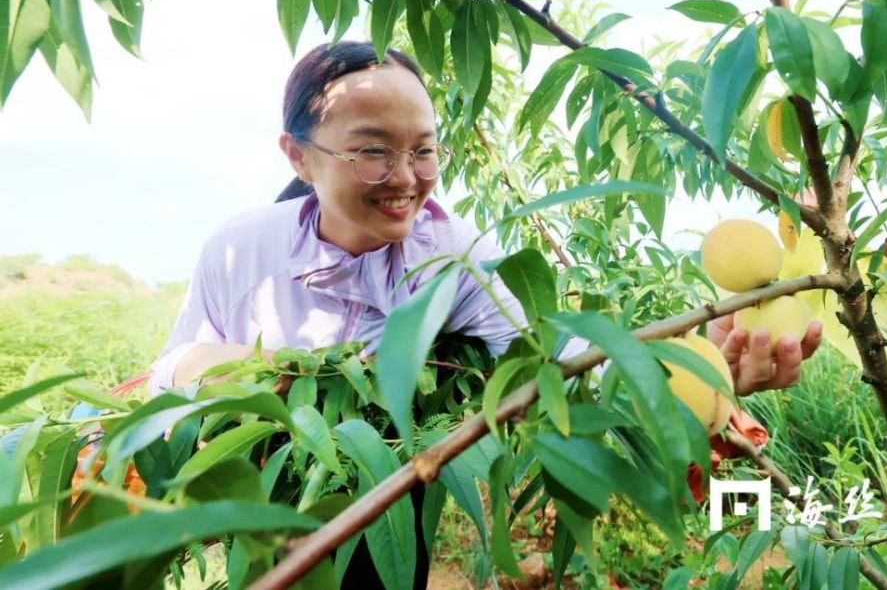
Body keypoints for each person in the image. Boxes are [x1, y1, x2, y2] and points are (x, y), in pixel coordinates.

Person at [149, 40, 822, 588]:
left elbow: (557, 361)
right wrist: (254, 371)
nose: (408, 177)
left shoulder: (455, 256)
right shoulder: (241, 252)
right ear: (298, 156)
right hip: (270, 495)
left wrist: (679, 362)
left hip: (392, 490)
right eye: (373, 151)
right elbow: (170, 379)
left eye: (424, 149)